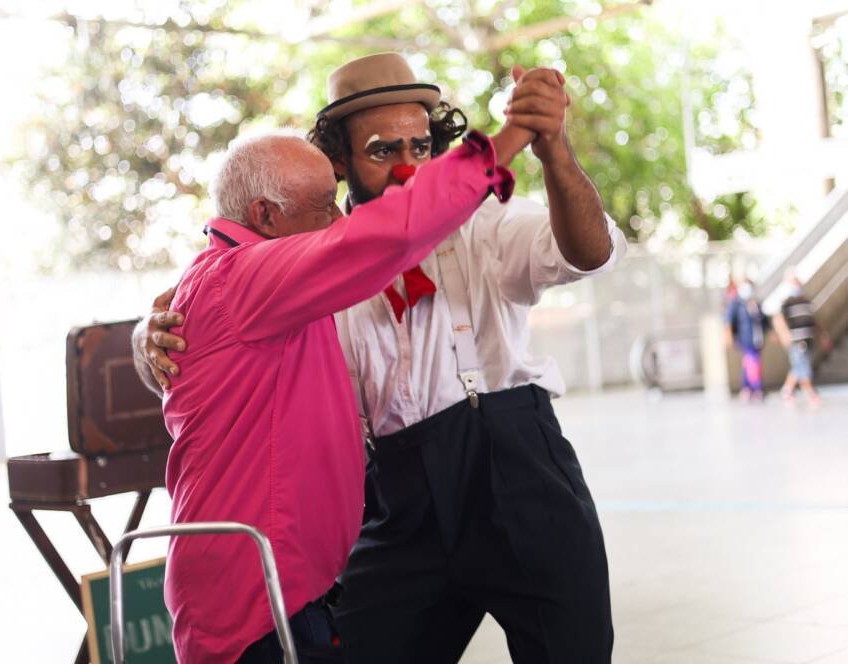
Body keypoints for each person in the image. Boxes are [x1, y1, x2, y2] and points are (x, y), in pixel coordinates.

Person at [136, 53, 627, 663]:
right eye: (381, 150)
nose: (407, 167)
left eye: (420, 147)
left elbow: (590, 252)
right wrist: (147, 338)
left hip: (514, 464)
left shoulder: (485, 220)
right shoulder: (313, 252)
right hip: (399, 490)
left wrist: (554, 153)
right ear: (339, 160)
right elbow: (219, 318)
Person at [157, 115, 532, 663]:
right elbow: (385, 236)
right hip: (257, 595)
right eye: (323, 206)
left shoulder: (234, 283)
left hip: (281, 583)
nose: (338, 218)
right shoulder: (240, 280)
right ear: (265, 215)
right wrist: (503, 144)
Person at [773, 272, 831, 406]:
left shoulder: (806, 301)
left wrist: (823, 335)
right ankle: (809, 391)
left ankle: (787, 390)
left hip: (808, 338)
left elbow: (813, 320)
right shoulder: (787, 302)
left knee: (799, 365)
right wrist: (784, 334)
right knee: (802, 365)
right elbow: (778, 319)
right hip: (797, 340)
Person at [724, 277, 771, 401]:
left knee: (748, 364)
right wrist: (729, 337)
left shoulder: (756, 303)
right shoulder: (736, 303)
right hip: (746, 339)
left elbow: (764, 320)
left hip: (757, 339)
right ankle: (757, 388)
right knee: (753, 362)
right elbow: (729, 321)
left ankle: (746, 388)